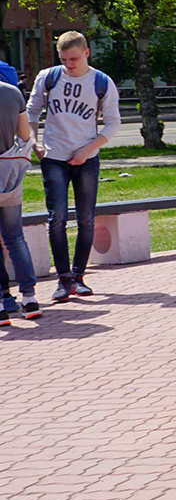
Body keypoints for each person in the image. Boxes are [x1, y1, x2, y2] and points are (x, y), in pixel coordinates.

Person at [27, 31, 121, 302]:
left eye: (74, 59)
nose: (69, 64)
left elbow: (113, 123)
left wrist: (87, 150)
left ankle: (79, 276)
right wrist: (34, 143)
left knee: (86, 218)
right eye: (63, 59)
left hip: (86, 159)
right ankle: (63, 278)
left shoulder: (102, 82)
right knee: (56, 218)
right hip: (54, 157)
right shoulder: (49, 77)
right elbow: (31, 111)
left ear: (87, 53)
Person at [0, 72, 38, 322]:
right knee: (15, 238)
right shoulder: (13, 93)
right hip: (7, 175)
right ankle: (29, 298)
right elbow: (26, 137)